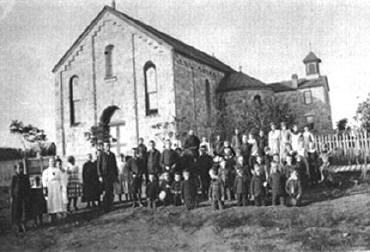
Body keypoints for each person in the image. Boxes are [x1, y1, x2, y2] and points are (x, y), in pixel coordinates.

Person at [42, 157, 66, 222]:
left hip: (56, 186)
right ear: (48, 162)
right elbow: (44, 180)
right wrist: (45, 187)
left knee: (57, 200)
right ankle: (51, 214)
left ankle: (56, 213)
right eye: (50, 161)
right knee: (51, 200)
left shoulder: (58, 170)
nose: (52, 163)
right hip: (50, 186)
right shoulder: (46, 171)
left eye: (53, 161)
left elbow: (61, 178)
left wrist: (61, 185)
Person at [97, 142, 118, 212]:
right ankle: (105, 207)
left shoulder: (112, 155)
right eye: (106, 146)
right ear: (104, 147)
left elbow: (115, 166)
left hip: (111, 176)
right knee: (106, 191)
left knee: (111, 191)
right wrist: (100, 176)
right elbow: (98, 166)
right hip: (104, 176)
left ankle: (110, 205)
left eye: (108, 145)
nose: (108, 147)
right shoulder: (101, 154)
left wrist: (116, 175)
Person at [10, 162, 30, 233]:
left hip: (24, 196)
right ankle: (18, 226)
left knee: (24, 211)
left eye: (21, 168)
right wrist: (11, 197)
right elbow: (12, 188)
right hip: (16, 197)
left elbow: (28, 187)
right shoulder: (14, 177)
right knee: (16, 211)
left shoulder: (25, 177)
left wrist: (28, 195)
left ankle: (23, 224)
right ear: (16, 169)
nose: (20, 169)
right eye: (19, 168)